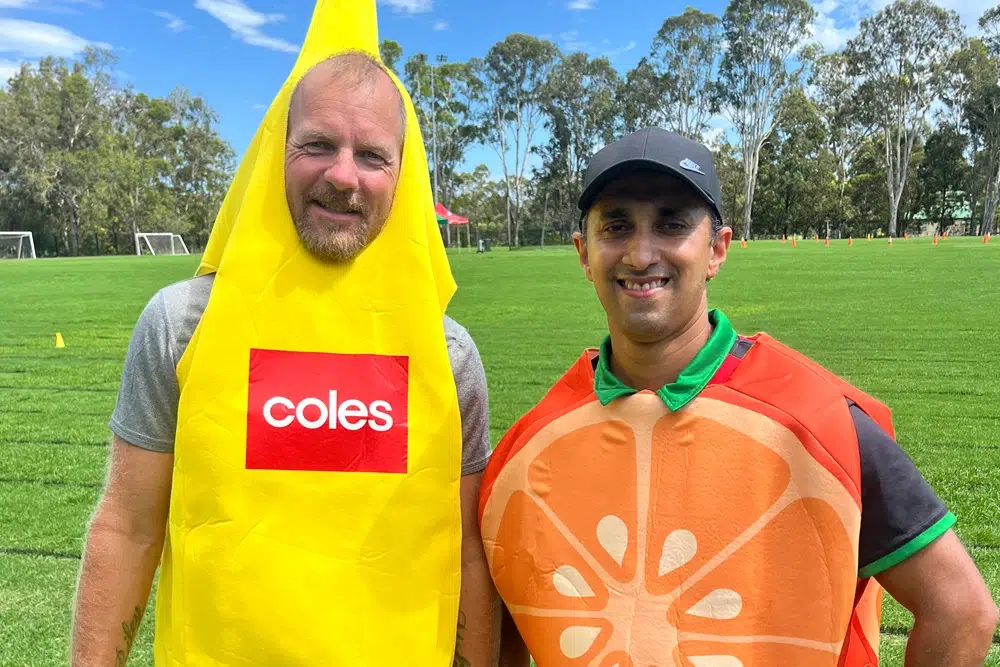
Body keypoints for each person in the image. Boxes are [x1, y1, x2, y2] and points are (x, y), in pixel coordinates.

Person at [71, 2, 498, 665]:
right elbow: (127, 527)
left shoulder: (449, 357)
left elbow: (467, 553)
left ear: (403, 176)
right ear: (277, 151)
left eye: (372, 155)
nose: (342, 174)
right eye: (318, 145)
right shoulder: (181, 326)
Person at [478, 127, 997, 667]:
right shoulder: (531, 445)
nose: (641, 253)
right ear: (584, 254)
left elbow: (961, 611)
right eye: (616, 226)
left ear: (717, 249)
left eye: (672, 224)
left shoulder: (820, 422)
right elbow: (506, 625)